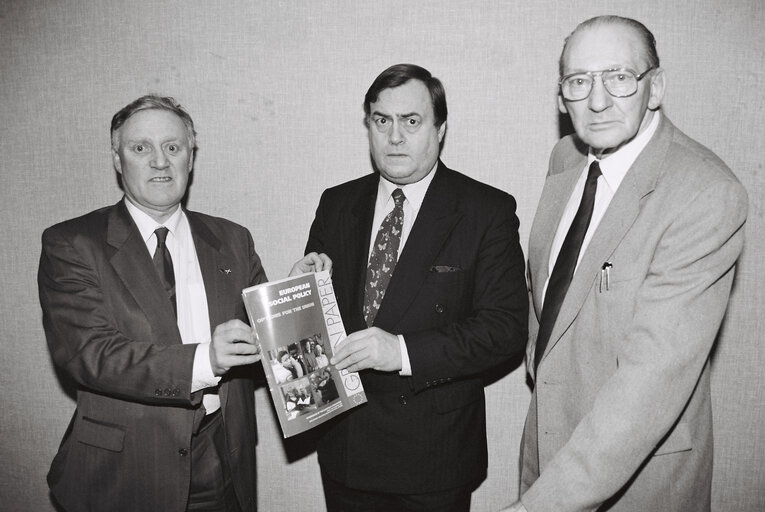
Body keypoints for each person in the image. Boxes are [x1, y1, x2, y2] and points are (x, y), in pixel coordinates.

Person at [503, 16, 748, 512]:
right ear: (560, 97)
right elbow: (549, 285)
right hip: (546, 451)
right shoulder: (566, 158)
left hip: (640, 482)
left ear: (654, 87)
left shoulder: (705, 194)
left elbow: (650, 381)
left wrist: (538, 507)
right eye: (578, 81)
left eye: (618, 77)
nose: (596, 101)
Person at [38, 94, 324, 512]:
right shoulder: (72, 243)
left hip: (222, 456)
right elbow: (89, 355)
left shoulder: (232, 239)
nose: (160, 161)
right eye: (141, 148)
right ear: (117, 159)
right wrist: (206, 360)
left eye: (172, 147)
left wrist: (291, 299)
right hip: (125, 469)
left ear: (191, 158)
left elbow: (265, 345)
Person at [304, 63, 528, 511]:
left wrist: (402, 352)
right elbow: (319, 329)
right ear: (368, 125)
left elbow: (504, 330)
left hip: (433, 459)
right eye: (381, 121)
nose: (395, 137)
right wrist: (303, 291)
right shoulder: (337, 203)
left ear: (440, 129)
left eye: (412, 121)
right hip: (345, 450)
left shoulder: (486, 210)